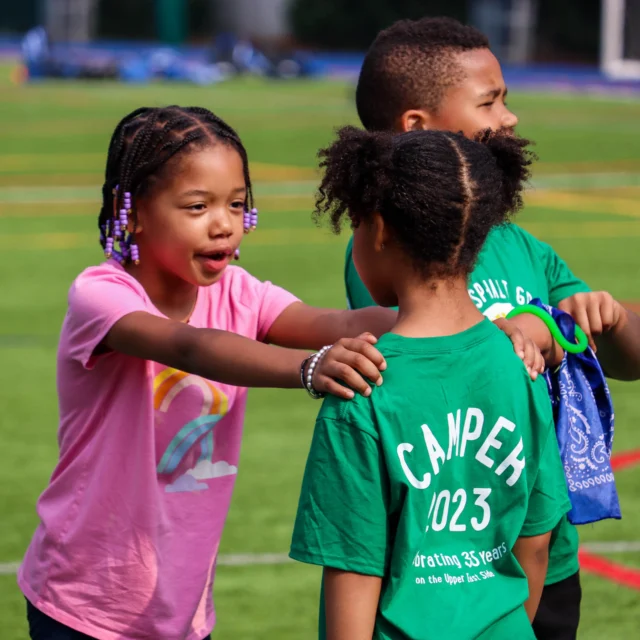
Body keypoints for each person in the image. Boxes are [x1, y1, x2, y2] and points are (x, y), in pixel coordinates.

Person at [17, 104, 423, 640]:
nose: (223, 224)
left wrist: (454, 323)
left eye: (236, 204)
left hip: (184, 611)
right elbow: (191, 345)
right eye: (197, 205)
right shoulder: (101, 294)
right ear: (131, 209)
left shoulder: (239, 290)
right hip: (83, 605)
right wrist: (309, 369)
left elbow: (338, 321)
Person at [342, 17, 640, 639]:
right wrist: (540, 325)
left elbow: (623, 353)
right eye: (489, 101)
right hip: (440, 570)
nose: (509, 118)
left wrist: (598, 318)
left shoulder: (521, 246)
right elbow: (446, 358)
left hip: (542, 553)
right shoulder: (391, 246)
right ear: (417, 127)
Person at [290, 125, 570, 639]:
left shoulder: (361, 384)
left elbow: (354, 572)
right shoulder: (521, 363)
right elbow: (534, 541)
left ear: (377, 229)